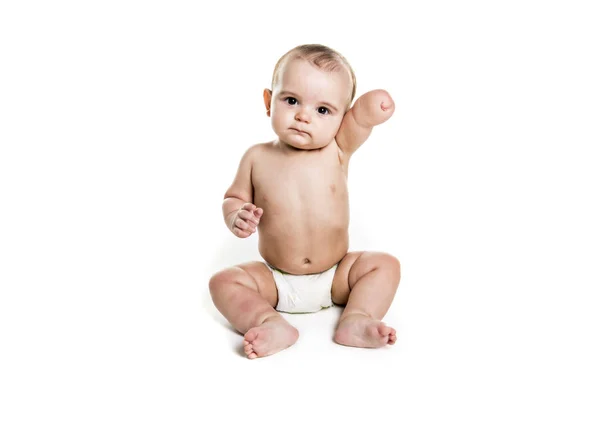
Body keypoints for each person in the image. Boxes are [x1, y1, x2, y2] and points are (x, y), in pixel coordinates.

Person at [209, 44, 400, 359]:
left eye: (322, 110)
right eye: (292, 100)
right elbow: (234, 197)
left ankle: (357, 318)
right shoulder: (256, 157)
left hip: (338, 274)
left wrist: (374, 106)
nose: (302, 116)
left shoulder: (337, 148)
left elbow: (362, 119)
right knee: (222, 282)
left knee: (385, 265)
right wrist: (236, 214)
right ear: (269, 101)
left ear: (341, 119)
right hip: (275, 279)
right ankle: (268, 321)